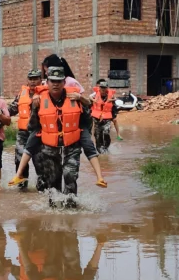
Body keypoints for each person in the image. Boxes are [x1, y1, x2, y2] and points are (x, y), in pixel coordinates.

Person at [7, 59, 107, 188]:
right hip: (49, 146)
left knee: (69, 175)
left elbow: (87, 121)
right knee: (52, 182)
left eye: (59, 81)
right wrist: (34, 109)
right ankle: (21, 177)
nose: (55, 84)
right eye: (52, 81)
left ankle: (91, 185)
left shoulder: (75, 98)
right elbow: (32, 126)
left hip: (71, 144)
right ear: (47, 82)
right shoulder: (38, 100)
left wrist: (82, 100)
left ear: (64, 82)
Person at [6, 69, 43, 191]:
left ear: (40, 79)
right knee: (19, 159)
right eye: (30, 79)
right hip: (23, 133)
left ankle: (42, 189)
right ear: (27, 80)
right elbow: (12, 109)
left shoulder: (46, 94)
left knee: (40, 162)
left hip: (40, 134)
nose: (33, 82)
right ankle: (22, 188)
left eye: (36, 79)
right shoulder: (22, 93)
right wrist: (0, 114)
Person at [90, 79, 120, 154]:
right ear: (99, 88)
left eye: (104, 88)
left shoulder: (110, 95)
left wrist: (112, 100)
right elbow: (89, 97)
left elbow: (114, 101)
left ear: (107, 88)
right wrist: (93, 101)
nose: (103, 90)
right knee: (97, 135)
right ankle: (100, 150)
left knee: (106, 132)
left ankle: (106, 147)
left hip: (107, 118)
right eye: (101, 88)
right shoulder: (95, 94)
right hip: (97, 118)